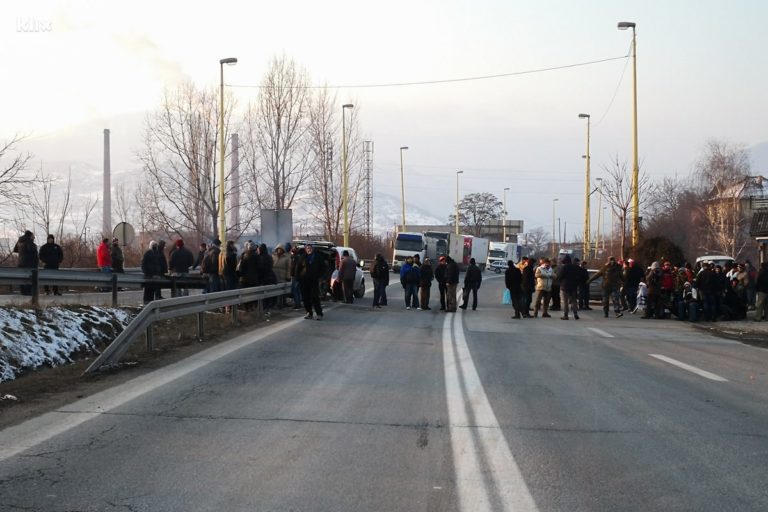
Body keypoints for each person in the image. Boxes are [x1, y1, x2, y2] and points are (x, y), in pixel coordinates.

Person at [297, 243, 326, 320]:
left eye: (310, 248)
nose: (308, 250)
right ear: (305, 249)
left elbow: (323, 268)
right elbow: (297, 268)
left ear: (312, 249)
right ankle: (309, 313)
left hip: (314, 280)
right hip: (304, 280)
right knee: (305, 298)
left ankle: (319, 313)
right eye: (307, 248)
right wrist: (298, 278)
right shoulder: (302, 257)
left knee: (314, 297)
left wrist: (320, 276)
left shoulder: (318, 257)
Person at [14, 231, 38, 296]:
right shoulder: (29, 241)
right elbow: (31, 250)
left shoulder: (20, 241)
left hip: (21, 262)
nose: (34, 237)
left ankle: (23, 291)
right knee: (29, 277)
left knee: (22, 277)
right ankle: (28, 292)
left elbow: (15, 250)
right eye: (33, 236)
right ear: (30, 236)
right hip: (29, 262)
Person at [556, 254, 580, 320]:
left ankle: (566, 315)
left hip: (565, 286)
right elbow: (578, 276)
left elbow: (559, 276)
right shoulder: (575, 267)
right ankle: (575, 314)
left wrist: (560, 282)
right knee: (574, 300)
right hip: (573, 286)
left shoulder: (564, 267)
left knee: (565, 301)